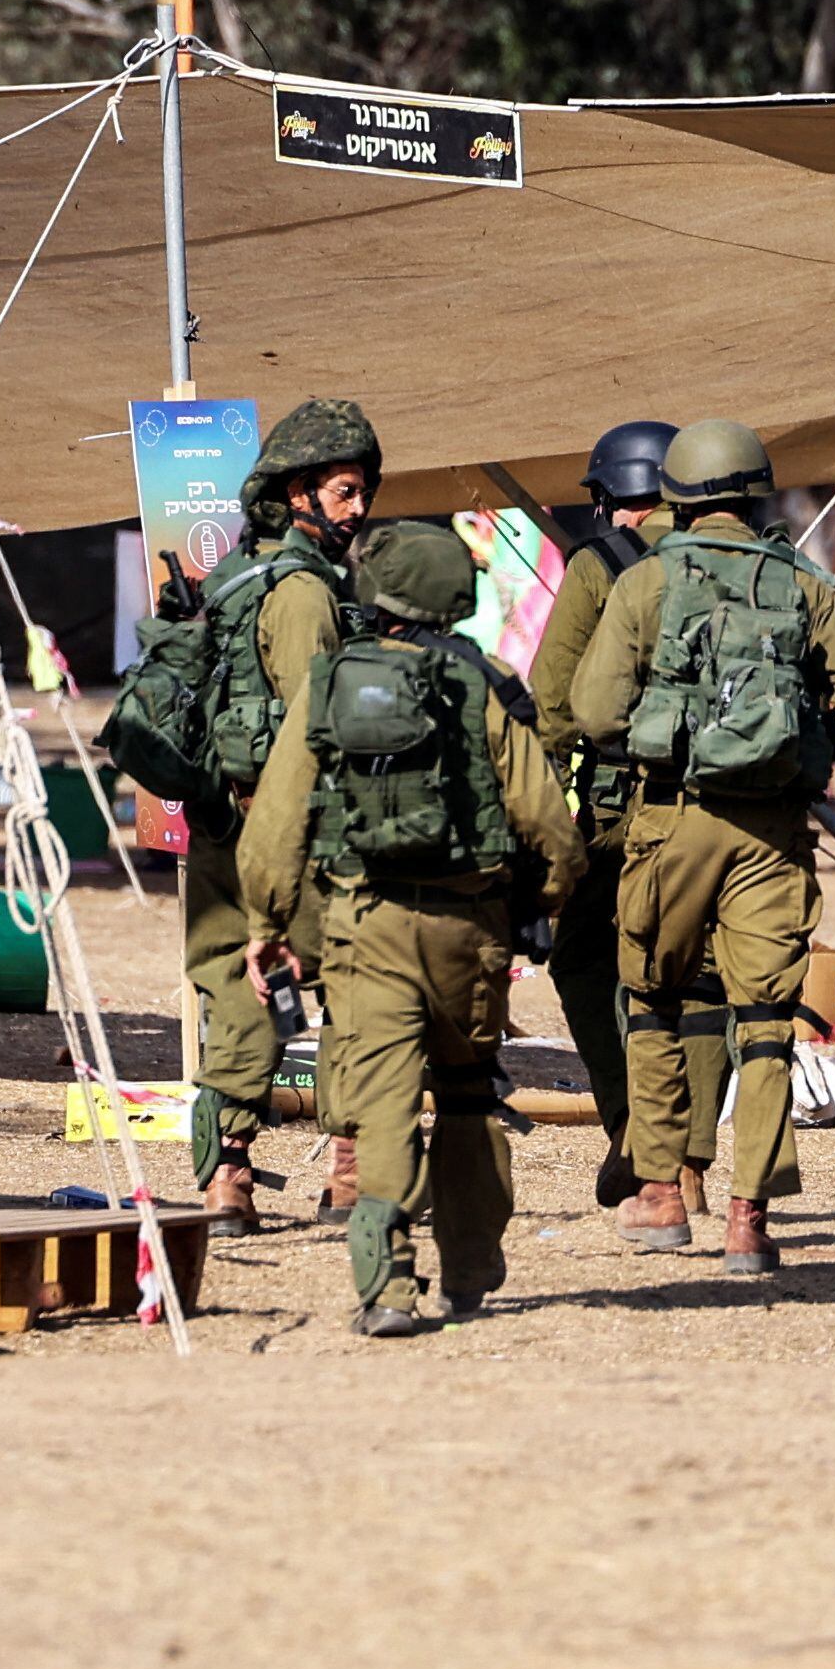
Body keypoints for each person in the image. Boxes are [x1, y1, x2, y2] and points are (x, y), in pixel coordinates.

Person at [242, 517, 582, 1334]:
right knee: (467, 1096)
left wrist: (267, 923)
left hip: (364, 924)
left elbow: (277, 823)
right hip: (472, 927)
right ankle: (467, 1270)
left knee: (384, 1102)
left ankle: (388, 1287)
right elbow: (550, 825)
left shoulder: (329, 681)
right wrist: (540, 908)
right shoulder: (489, 681)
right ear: (454, 597)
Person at [568, 416, 835, 1278]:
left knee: (654, 1000)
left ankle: (665, 1194)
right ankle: (749, 1218)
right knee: (767, 1023)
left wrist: (662, 737)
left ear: (676, 491)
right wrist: (813, 752)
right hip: (775, 828)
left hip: (672, 818)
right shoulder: (805, 583)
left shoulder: (647, 582)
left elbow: (594, 710)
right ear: (756, 490)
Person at [177, 397, 369, 1230]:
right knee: (352, 991)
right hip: (290, 830)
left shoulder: (230, 579)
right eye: (344, 490)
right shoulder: (304, 593)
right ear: (297, 493)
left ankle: (228, 1177)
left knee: (233, 992)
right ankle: (353, 1174)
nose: (359, 508)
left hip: (220, 820)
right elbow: (315, 720)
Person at [529, 420, 722, 1214]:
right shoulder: (739, 559)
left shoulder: (602, 563)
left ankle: (639, 1136)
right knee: (703, 979)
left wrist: (542, 820)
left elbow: (553, 702)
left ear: (611, 498)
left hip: (625, 811)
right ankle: (695, 1164)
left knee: (588, 959)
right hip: (730, 809)